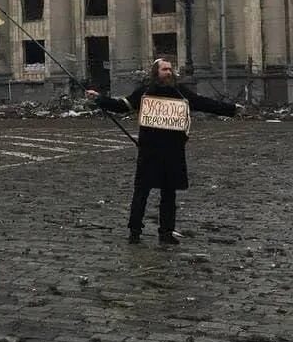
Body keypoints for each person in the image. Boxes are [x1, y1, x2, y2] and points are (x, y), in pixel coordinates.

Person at [86, 59, 239, 245]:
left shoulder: (180, 91)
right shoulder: (145, 91)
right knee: (141, 192)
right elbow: (122, 105)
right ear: (155, 72)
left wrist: (231, 110)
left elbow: (203, 103)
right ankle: (135, 231)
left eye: (170, 69)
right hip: (149, 150)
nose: (169, 72)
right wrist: (100, 99)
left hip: (173, 151)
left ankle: (166, 233)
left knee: (169, 194)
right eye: (165, 69)